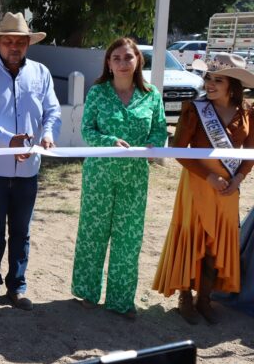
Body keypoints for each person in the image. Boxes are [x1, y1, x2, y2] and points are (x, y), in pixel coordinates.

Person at [0, 12, 61, 312]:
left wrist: (47, 135)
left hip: (29, 168)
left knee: (21, 231)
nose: (14, 47)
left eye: (20, 41)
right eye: (8, 41)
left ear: (28, 44)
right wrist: (10, 140)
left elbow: (53, 111)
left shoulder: (41, 73)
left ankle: (17, 287)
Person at [153, 53, 254, 325]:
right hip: (197, 185)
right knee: (193, 240)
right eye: (208, 77)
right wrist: (209, 176)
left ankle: (205, 298)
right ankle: (185, 298)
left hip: (228, 190)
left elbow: (250, 153)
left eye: (217, 80)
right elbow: (179, 152)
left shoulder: (248, 112)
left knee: (215, 245)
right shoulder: (194, 109)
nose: (209, 83)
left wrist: (238, 180)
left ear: (233, 85)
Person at [70, 38, 166, 320]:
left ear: (138, 60)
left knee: (128, 238)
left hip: (135, 178)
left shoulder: (152, 95)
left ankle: (121, 300)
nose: (122, 63)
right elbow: (87, 130)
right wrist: (110, 140)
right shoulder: (98, 92)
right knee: (93, 233)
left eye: (128, 57)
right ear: (109, 64)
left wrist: (153, 146)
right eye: (116, 58)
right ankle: (88, 292)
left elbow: (160, 130)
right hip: (99, 175)